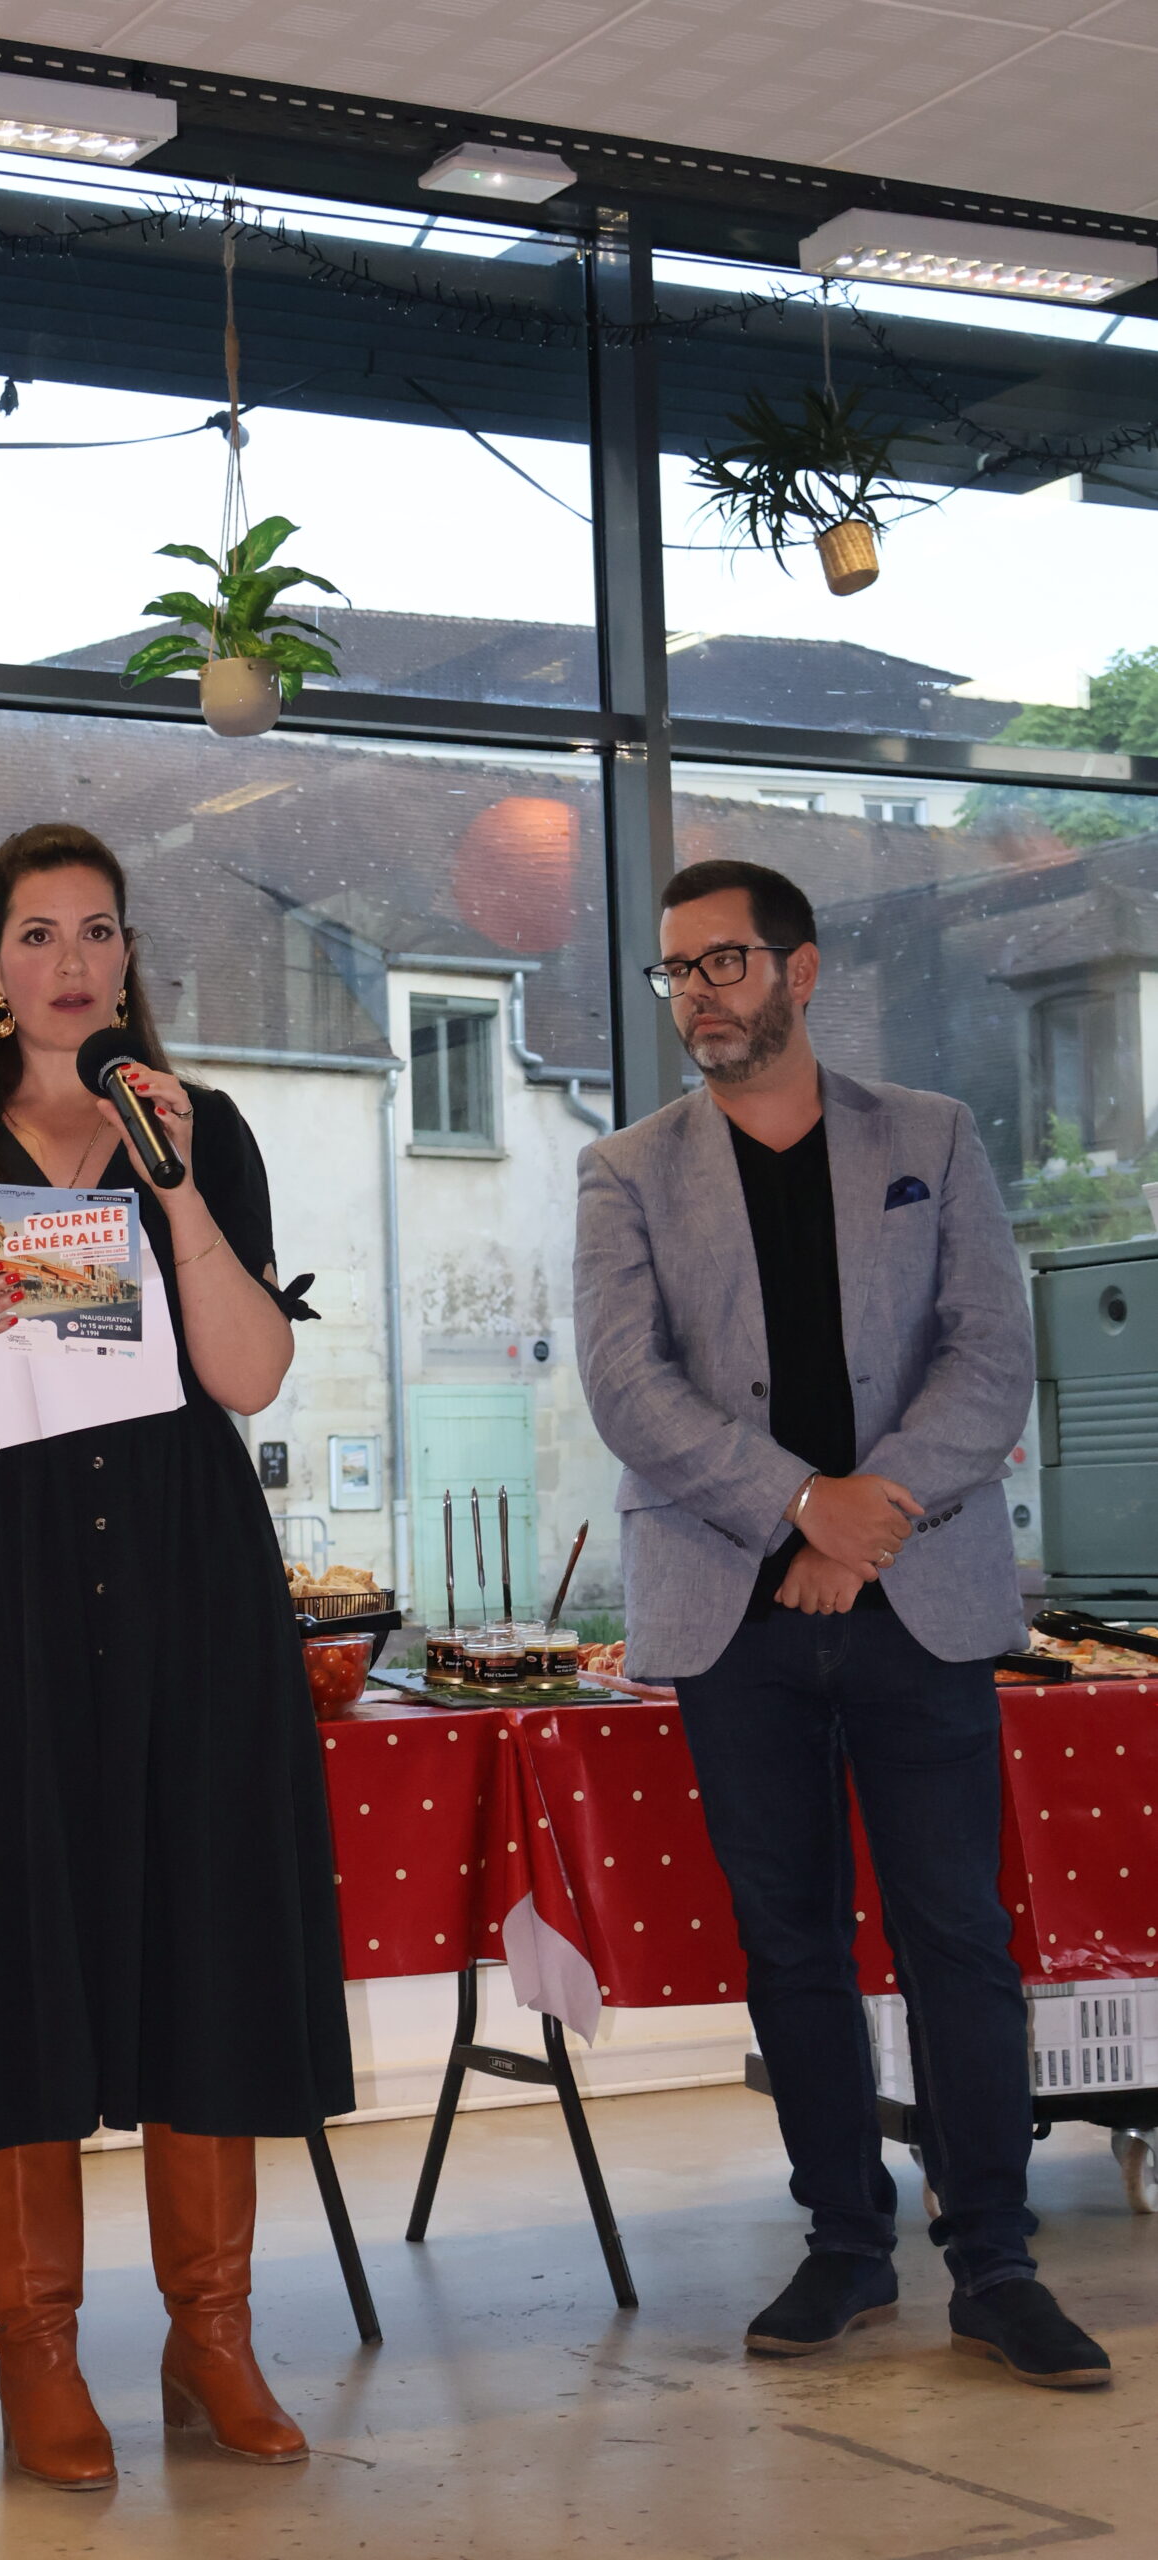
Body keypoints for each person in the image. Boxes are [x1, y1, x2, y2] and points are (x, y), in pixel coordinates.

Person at [0, 822, 355, 2486]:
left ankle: (214, 2338)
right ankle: (37, 2354)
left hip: (193, 1581)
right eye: (40, 933)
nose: (73, 961)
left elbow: (251, 1374)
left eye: (101, 932)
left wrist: (177, 1184)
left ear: (130, 960)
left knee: (209, 1934)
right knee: (14, 1947)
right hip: (4, 1591)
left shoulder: (199, 1131)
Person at [573, 856, 1110, 2391]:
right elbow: (628, 1388)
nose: (697, 995)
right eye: (677, 970)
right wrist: (804, 1509)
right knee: (792, 1939)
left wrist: (869, 1521)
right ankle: (845, 2244)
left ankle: (995, 2261)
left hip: (916, 1597)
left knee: (958, 1934)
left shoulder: (927, 1136)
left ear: (800, 972)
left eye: (724, 963)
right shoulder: (626, 1170)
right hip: (732, 1609)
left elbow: (989, 1356)